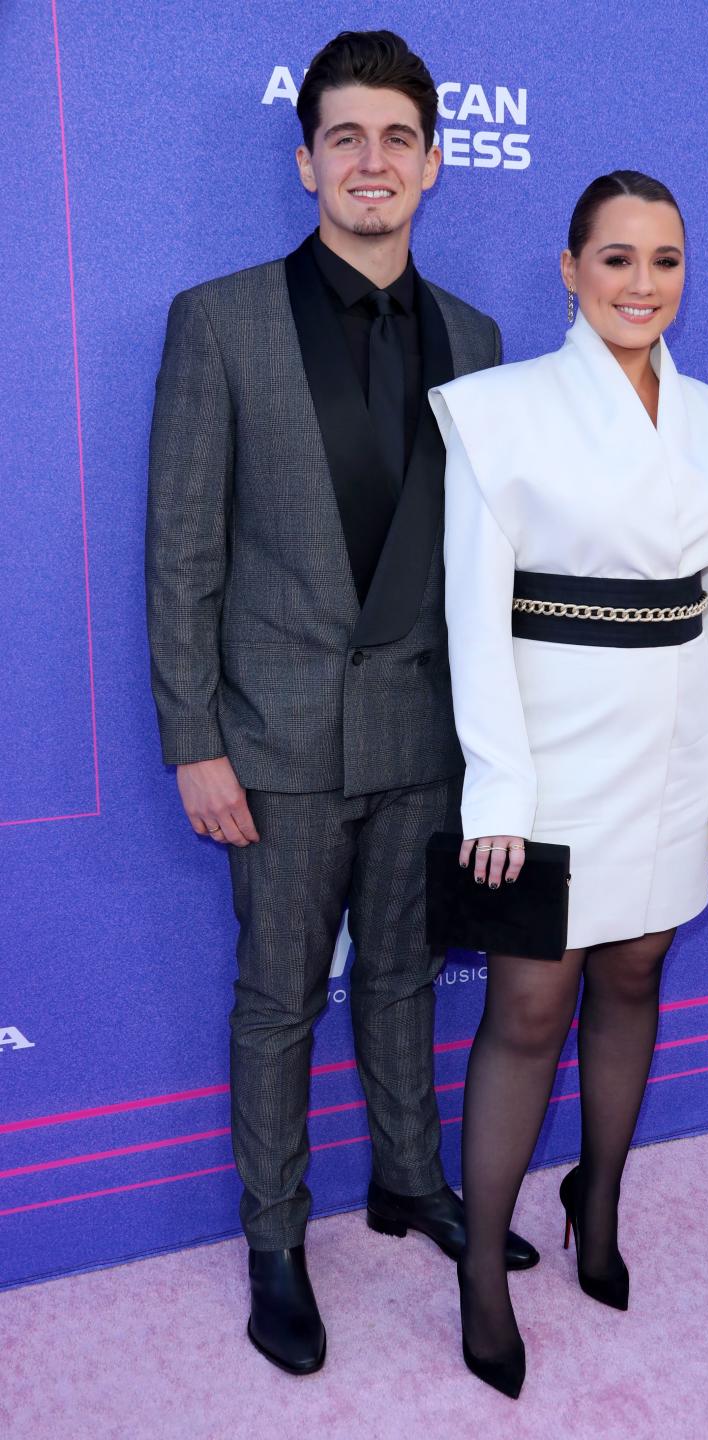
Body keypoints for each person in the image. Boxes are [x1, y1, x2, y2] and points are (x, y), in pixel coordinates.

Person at [145, 30, 537, 1379]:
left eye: (399, 139)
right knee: (274, 1000)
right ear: (306, 156)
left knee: (407, 978)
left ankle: (411, 1180)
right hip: (278, 739)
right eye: (347, 138)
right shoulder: (221, 320)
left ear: (434, 162)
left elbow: (489, 566)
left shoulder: (480, 338)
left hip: (426, 734)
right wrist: (193, 740)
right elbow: (181, 553)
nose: (374, 163)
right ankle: (274, 1241)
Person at [429, 171, 708, 1397]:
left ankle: (600, 1198)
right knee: (527, 1011)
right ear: (569, 269)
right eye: (616, 259)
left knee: (635, 975)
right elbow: (476, 622)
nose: (642, 284)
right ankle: (478, 1268)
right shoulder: (496, 412)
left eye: (665, 260)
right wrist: (499, 797)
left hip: (674, 751)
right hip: (553, 758)